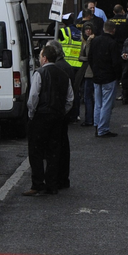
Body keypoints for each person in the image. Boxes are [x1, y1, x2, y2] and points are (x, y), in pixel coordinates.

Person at [23, 45, 73, 197]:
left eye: (40, 56)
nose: (39, 58)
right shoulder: (64, 75)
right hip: (57, 116)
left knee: (36, 151)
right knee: (54, 151)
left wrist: (32, 114)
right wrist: (62, 111)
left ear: (44, 58)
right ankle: (52, 184)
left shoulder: (40, 73)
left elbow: (33, 98)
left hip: (41, 115)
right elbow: (70, 99)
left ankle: (37, 184)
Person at [47, 40, 74, 190]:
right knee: (64, 146)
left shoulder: (55, 69)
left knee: (56, 147)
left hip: (56, 112)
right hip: (64, 112)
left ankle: (57, 178)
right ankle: (63, 178)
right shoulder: (66, 66)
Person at [88, 20, 122, 138]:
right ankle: (103, 129)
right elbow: (116, 62)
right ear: (113, 30)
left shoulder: (95, 41)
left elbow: (90, 58)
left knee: (98, 103)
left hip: (97, 76)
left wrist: (95, 70)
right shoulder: (112, 43)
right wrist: (118, 75)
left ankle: (97, 125)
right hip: (109, 77)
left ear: (103, 29)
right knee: (107, 104)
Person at [77, 23, 95, 127]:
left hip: (90, 72)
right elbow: (80, 57)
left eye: (89, 29)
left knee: (89, 96)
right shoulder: (83, 41)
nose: (88, 31)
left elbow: (88, 56)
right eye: (86, 29)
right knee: (87, 95)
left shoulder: (91, 41)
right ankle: (90, 118)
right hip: (85, 71)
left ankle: (89, 119)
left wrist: (88, 42)